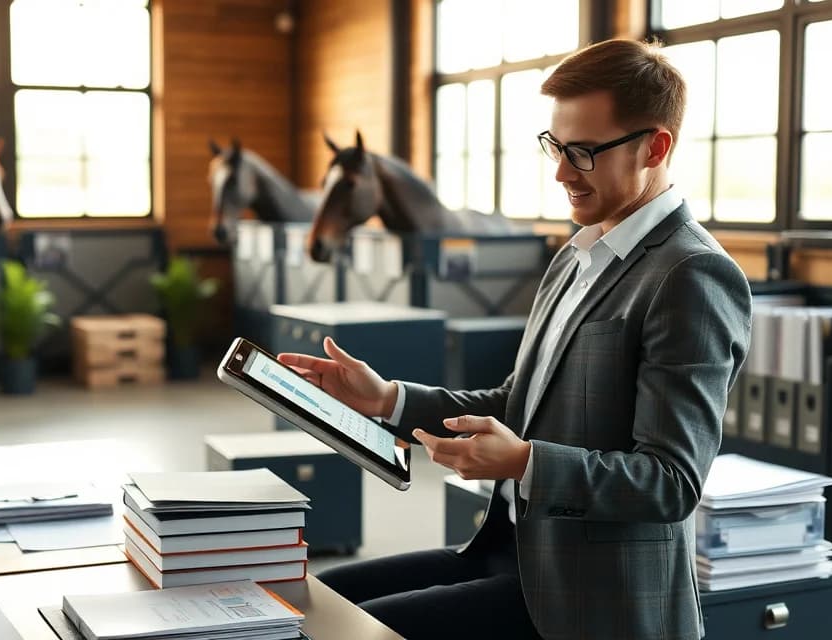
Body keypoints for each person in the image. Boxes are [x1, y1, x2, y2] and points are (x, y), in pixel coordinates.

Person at [279, 38, 752, 640]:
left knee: (341, 634)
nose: (561, 172)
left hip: (591, 600)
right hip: (513, 553)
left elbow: (670, 482)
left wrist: (526, 462)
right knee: (311, 603)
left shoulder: (692, 275)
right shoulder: (576, 257)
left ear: (655, 147)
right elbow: (517, 403)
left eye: (583, 152)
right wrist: (387, 399)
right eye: (556, 146)